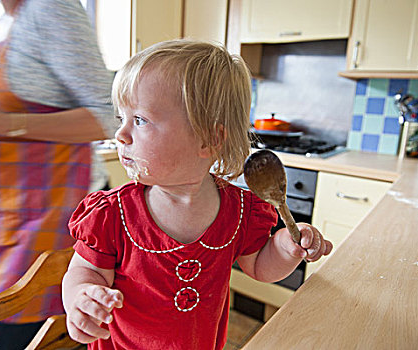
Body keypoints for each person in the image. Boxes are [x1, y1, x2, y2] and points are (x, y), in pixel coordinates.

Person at [62, 39, 333, 350]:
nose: (121, 134)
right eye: (121, 119)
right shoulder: (113, 214)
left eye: (139, 120)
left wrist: (287, 248)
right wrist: (81, 297)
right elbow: (85, 271)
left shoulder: (240, 210)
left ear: (208, 138)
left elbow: (260, 265)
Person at [0, 0, 115, 348]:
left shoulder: (51, 8)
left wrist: (4, 122)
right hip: (5, 228)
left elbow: (108, 116)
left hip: (53, 226)